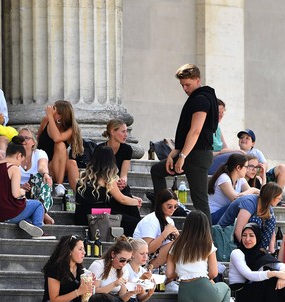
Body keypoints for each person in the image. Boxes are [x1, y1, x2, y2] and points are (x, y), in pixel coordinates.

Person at [150, 64, 219, 221]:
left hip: (196, 155)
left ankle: (207, 242)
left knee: (200, 202)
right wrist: (175, 152)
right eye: (182, 85)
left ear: (197, 80)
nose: (185, 89)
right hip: (193, 153)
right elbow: (188, 131)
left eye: (188, 84)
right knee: (157, 171)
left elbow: (195, 131)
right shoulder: (203, 97)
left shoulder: (201, 99)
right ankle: (162, 216)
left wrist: (182, 155)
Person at [167, 210, 239, 302]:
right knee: (225, 288)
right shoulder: (208, 245)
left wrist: (184, 273)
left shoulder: (175, 246)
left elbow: (169, 274)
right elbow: (214, 273)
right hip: (205, 290)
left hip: (184, 296)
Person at [228, 223, 285, 302]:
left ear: (258, 237)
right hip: (241, 297)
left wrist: (283, 275)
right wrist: (275, 274)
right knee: (272, 278)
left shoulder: (261, 254)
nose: (247, 239)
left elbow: (284, 267)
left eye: (251, 235)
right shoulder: (237, 253)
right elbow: (249, 275)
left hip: (255, 295)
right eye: (244, 235)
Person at [0, 136, 47, 238]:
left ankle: (27, 222)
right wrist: (22, 191)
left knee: (27, 210)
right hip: (5, 213)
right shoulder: (14, 168)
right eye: (21, 161)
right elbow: (16, 194)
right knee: (37, 205)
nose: (20, 164)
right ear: (19, 156)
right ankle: (38, 230)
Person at [74, 147, 143, 236]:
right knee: (135, 221)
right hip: (97, 217)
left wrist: (132, 198)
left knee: (128, 198)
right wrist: (137, 202)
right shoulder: (106, 177)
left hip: (81, 216)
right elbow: (122, 199)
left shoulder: (84, 176)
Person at [41, 234, 95, 302]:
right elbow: (54, 301)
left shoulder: (80, 270)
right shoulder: (55, 268)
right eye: (80, 249)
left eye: (84, 249)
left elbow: (82, 299)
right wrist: (79, 291)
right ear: (70, 251)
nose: (84, 252)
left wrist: (91, 285)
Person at [219, 182, 283, 253]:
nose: (280, 200)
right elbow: (238, 230)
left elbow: (272, 229)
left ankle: (260, 250)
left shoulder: (267, 206)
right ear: (272, 198)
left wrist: (271, 250)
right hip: (227, 233)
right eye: (279, 198)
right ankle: (252, 250)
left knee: (271, 219)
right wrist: (248, 250)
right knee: (256, 220)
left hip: (245, 236)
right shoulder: (249, 203)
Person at [37, 100, 83, 197]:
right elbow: (38, 139)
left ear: (60, 115)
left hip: (60, 166)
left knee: (69, 158)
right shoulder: (46, 120)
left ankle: (76, 193)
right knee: (60, 145)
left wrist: (50, 117)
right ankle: (59, 184)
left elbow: (57, 138)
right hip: (45, 166)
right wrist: (49, 118)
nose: (51, 111)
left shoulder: (70, 129)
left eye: (54, 110)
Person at [133, 189, 180, 269]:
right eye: (169, 206)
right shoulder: (151, 220)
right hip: (143, 259)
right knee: (175, 244)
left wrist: (177, 236)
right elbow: (147, 249)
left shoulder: (170, 221)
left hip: (160, 258)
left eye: (175, 207)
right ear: (160, 204)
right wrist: (164, 234)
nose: (173, 209)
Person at [207, 152, 257, 224]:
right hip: (213, 216)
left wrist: (253, 190)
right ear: (238, 168)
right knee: (241, 206)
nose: (247, 170)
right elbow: (235, 200)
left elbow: (252, 196)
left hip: (225, 214)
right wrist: (252, 190)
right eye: (246, 167)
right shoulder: (224, 178)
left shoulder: (240, 179)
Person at [17, 127, 55, 218]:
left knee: (40, 177)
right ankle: (42, 215)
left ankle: (41, 211)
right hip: (17, 191)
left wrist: (45, 174)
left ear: (33, 142)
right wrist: (20, 187)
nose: (23, 141)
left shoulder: (39, 153)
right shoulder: (12, 155)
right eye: (20, 138)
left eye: (26, 138)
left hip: (35, 192)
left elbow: (42, 166)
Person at [98, 119, 133, 194]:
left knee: (126, 191)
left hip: (118, 184)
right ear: (112, 132)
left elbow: (124, 175)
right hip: (103, 184)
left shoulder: (127, 149)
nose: (126, 135)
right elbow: (97, 173)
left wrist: (122, 182)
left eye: (126, 131)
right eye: (123, 131)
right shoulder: (100, 149)